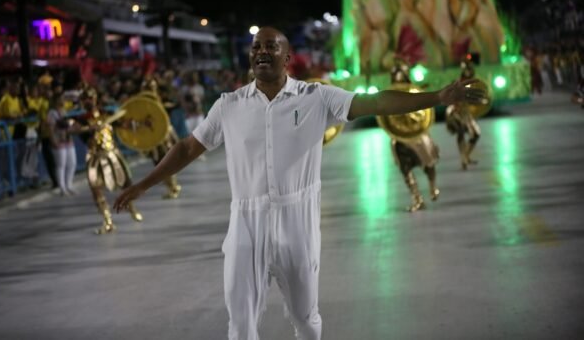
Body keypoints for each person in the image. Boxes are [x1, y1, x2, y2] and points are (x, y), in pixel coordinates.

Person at [113, 27, 484, 340]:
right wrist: (143, 185)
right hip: (246, 224)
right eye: (256, 47)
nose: (261, 52)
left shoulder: (316, 98)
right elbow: (187, 147)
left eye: (271, 47)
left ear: (287, 58)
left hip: (298, 223)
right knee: (240, 323)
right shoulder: (228, 105)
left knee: (306, 319)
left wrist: (435, 97)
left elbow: (375, 103)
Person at [77, 87, 142, 234]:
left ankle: (132, 208)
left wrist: (135, 124)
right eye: (85, 98)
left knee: (126, 182)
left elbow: (122, 122)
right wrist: (87, 128)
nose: (89, 100)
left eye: (91, 97)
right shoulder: (80, 119)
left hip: (112, 154)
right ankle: (108, 221)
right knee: (96, 188)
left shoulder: (106, 113)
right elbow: (71, 128)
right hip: (94, 157)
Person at [386, 61, 440, 212]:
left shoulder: (414, 92)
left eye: (400, 75)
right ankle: (417, 198)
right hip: (400, 137)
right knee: (405, 168)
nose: (398, 79)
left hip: (417, 136)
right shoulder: (389, 95)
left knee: (429, 164)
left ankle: (432, 187)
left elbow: (421, 114)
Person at [445, 60, 482, 170]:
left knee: (476, 134)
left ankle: (466, 156)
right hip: (457, 112)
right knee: (460, 132)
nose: (468, 72)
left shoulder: (475, 84)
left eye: (469, 70)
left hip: (467, 113)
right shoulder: (458, 83)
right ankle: (463, 159)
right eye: (466, 70)